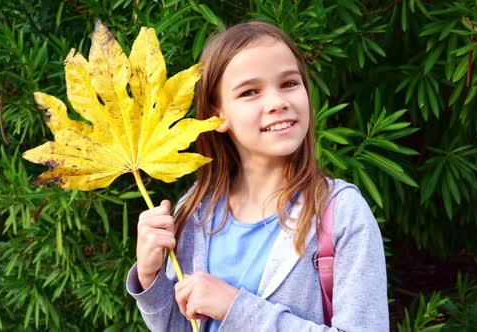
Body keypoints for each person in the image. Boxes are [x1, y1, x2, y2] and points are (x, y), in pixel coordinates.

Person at [126, 21, 389, 331]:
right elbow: (180, 327)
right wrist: (149, 276)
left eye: (289, 83)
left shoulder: (339, 213)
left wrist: (234, 307)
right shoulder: (193, 213)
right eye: (250, 92)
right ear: (217, 115)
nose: (278, 102)